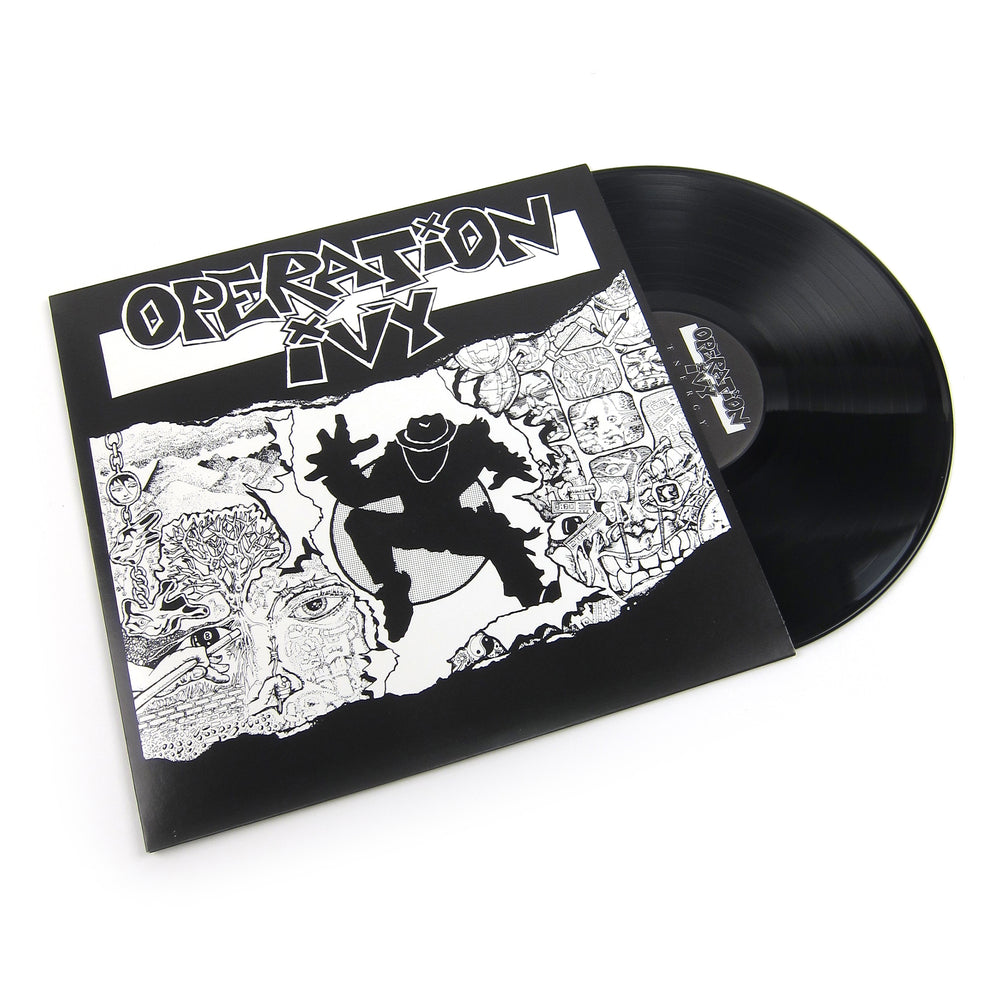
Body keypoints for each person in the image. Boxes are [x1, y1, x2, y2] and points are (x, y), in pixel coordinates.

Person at [306, 413, 557, 640]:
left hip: (457, 526)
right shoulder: (398, 460)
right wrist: (337, 463)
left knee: (498, 534)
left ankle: (533, 594)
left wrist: (510, 467)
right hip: (414, 527)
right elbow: (359, 495)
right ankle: (394, 591)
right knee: (358, 521)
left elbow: (497, 457)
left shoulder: (465, 449)